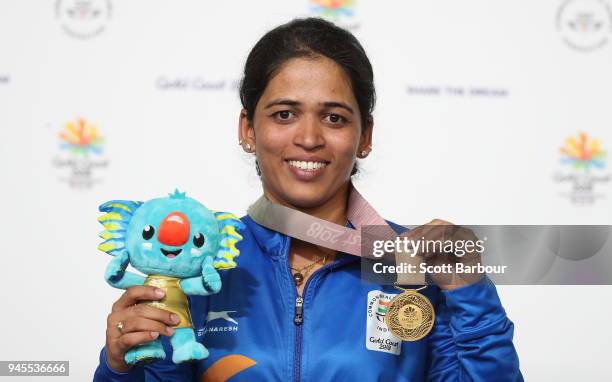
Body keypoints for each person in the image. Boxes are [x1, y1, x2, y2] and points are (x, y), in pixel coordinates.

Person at [93, 17, 523, 381]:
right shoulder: (199, 265)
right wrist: (119, 367)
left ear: (365, 136)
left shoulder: (414, 265)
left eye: (334, 117)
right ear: (247, 130)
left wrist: (470, 291)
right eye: (285, 114)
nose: (309, 138)